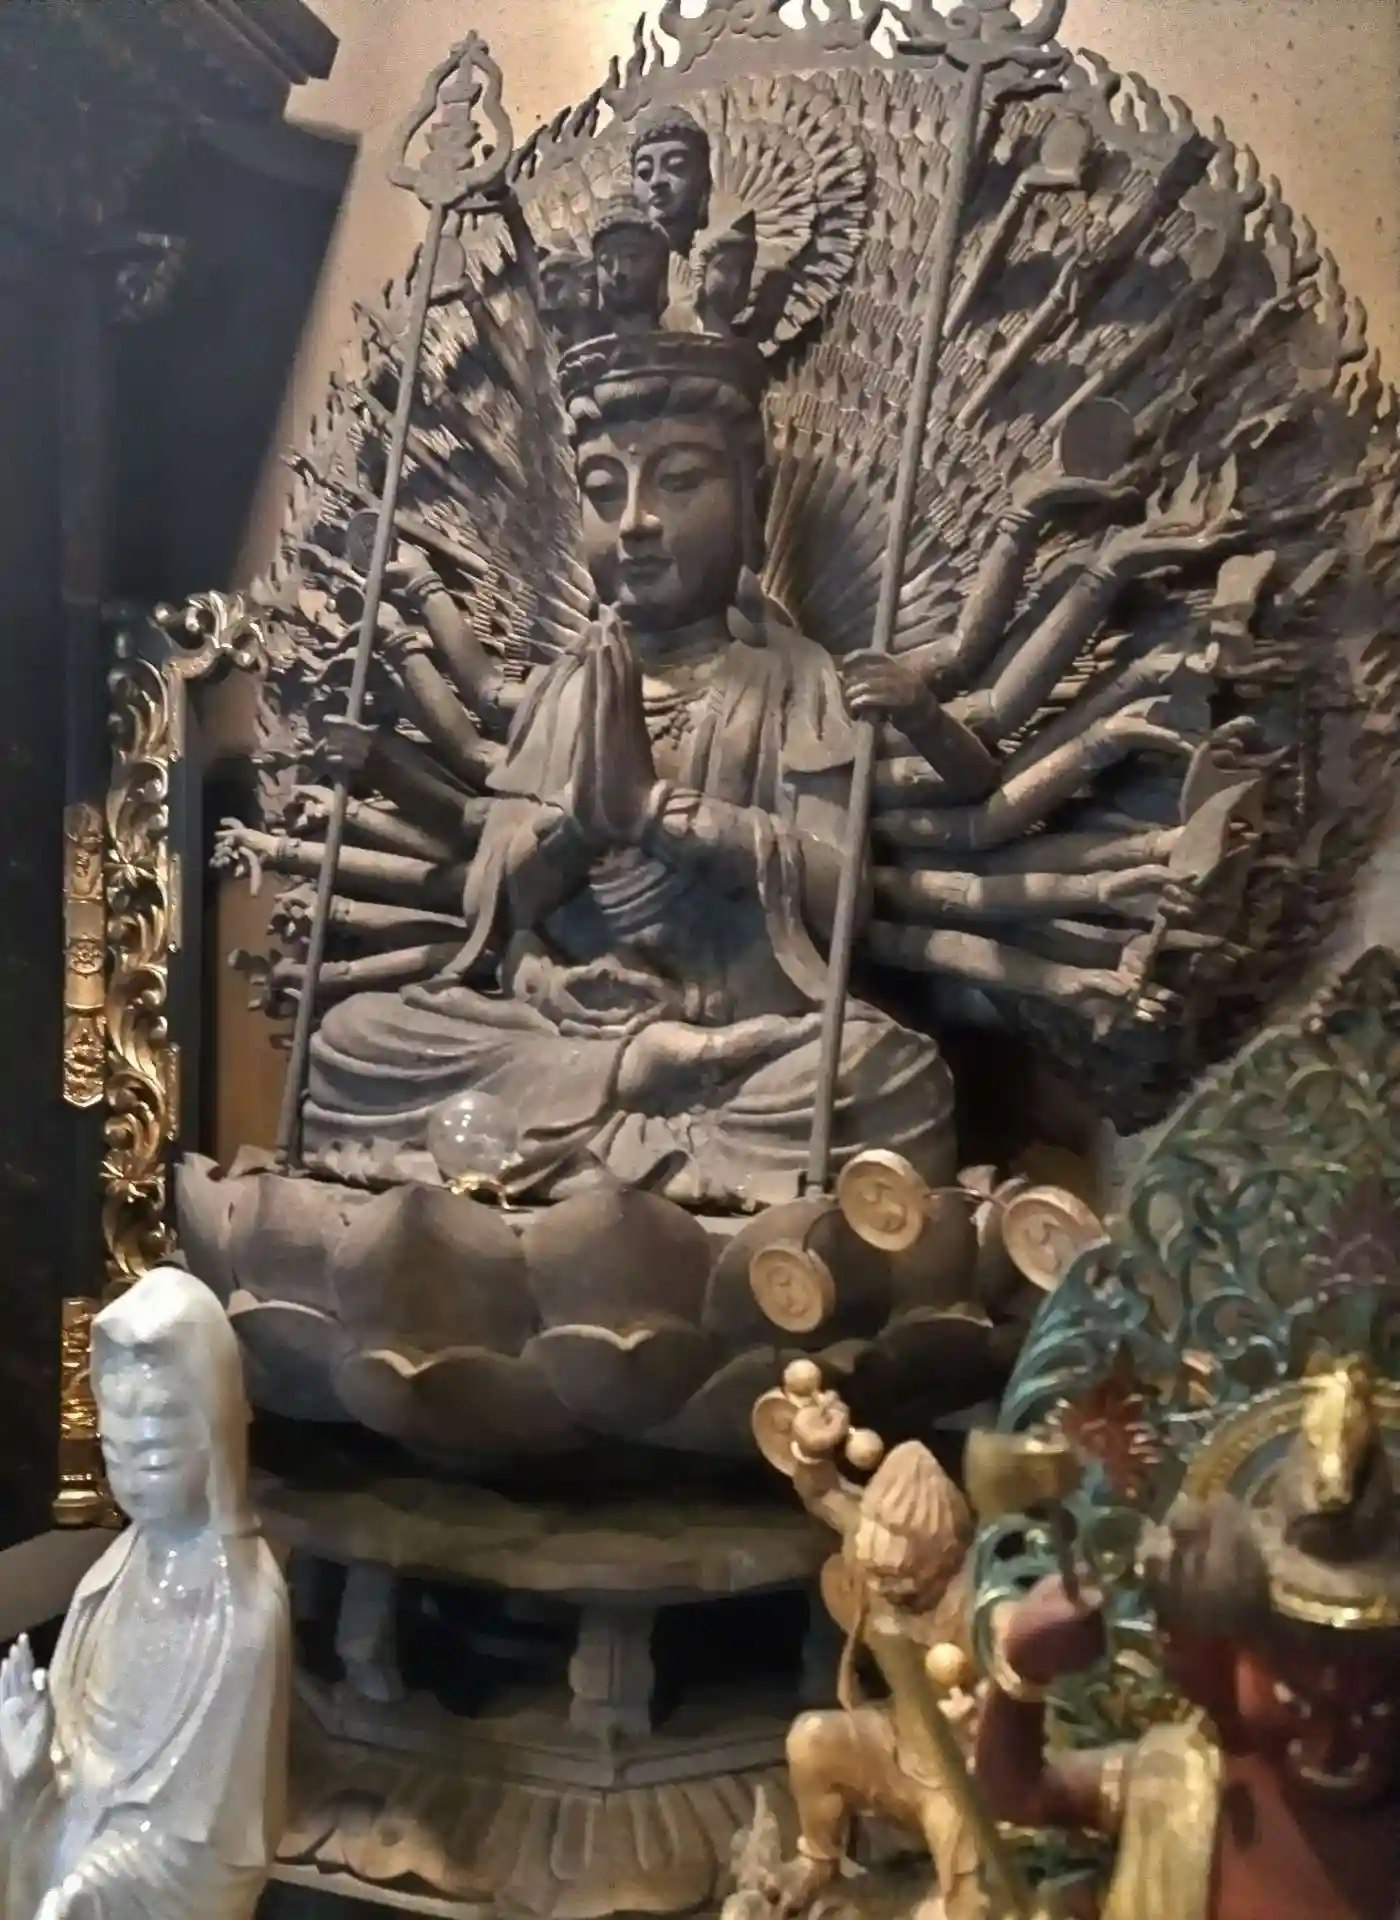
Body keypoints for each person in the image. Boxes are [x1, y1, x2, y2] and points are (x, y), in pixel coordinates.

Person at [305, 328, 956, 1207]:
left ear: (752, 503)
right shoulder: (562, 690)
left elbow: (842, 901)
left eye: (679, 482)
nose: (637, 521)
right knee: (353, 1038)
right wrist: (579, 830)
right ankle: (634, 1087)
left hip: (741, 1037)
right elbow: (493, 900)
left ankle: (618, 1119)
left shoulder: (797, 681)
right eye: (605, 491)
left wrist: (661, 815)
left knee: (883, 1074)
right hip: (556, 1031)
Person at [974, 1355, 1400, 1920]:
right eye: (1293, 1702)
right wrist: (1022, 1674)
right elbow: (1021, 1793)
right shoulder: (1178, 1786)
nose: (1331, 1747)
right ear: (1226, 1658)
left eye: (1373, 1710)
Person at [0, 1267, 289, 1920]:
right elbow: (71, 1770)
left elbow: (216, 1846)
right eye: (115, 1449)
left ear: (213, 1433)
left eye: (154, 1451)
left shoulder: (243, 1614)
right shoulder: (105, 1582)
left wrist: (94, 1883)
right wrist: (26, 1771)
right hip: (65, 1851)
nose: (131, 1473)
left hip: (140, 1888)